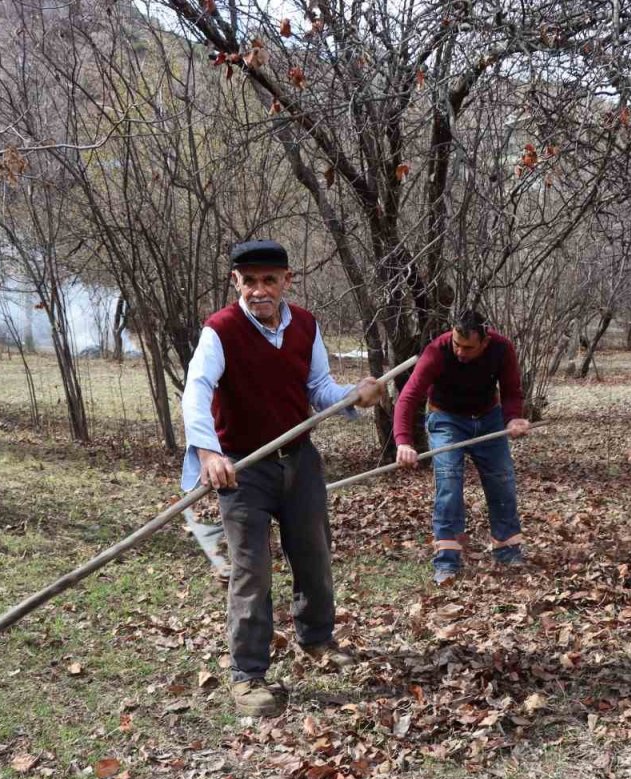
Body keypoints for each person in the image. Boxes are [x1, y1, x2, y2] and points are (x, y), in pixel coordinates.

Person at [181, 239, 382, 717]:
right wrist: (208, 451)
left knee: (313, 553)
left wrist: (354, 395)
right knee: (252, 570)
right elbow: (197, 389)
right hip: (242, 469)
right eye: (249, 281)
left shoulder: (305, 325)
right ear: (236, 282)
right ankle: (248, 675)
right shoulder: (220, 331)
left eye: (269, 280)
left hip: (299, 460)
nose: (259, 290)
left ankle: (317, 640)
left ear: (286, 281)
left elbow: (318, 388)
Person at [393, 309, 531, 584]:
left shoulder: (502, 349)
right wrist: (403, 441)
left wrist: (514, 417)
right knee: (449, 482)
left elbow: (511, 390)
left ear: (485, 341)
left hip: (489, 418)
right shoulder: (437, 351)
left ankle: (507, 550)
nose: (459, 352)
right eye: (457, 344)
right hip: (446, 418)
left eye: (468, 347)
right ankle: (447, 561)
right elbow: (408, 397)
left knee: (502, 479)